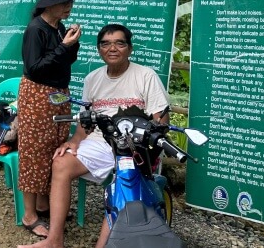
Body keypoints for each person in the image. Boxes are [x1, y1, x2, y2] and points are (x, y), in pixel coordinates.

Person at [19, 23, 170, 248]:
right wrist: (73, 141)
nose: (112, 49)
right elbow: (85, 123)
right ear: (99, 49)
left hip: (133, 146)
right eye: (105, 44)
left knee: (125, 182)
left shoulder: (146, 76)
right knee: (60, 162)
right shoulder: (92, 78)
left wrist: (146, 144)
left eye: (120, 43)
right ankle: (54, 240)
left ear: (130, 48)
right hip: (100, 141)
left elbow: (161, 121)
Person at [17, 0, 82, 238]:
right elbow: (35, 69)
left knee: (53, 147)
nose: (69, 6)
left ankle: (45, 204)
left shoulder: (59, 26)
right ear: (49, 4)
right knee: (34, 152)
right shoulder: (36, 29)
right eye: (63, 2)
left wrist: (71, 45)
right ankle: (29, 215)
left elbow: (65, 61)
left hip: (59, 95)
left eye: (69, 1)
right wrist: (64, 46)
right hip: (38, 95)